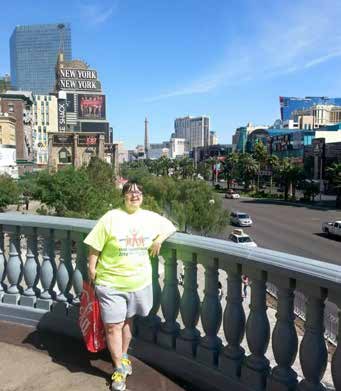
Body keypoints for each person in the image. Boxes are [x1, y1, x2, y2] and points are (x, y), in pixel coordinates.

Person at [84, 182, 176, 391]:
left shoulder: (150, 217)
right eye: (129, 192)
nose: (134, 195)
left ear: (142, 196)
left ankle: (123, 356)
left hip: (138, 282)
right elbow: (95, 245)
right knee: (112, 325)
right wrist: (92, 268)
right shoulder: (110, 217)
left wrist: (159, 239)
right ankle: (118, 369)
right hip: (110, 282)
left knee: (126, 321)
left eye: (138, 192)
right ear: (123, 196)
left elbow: (171, 226)